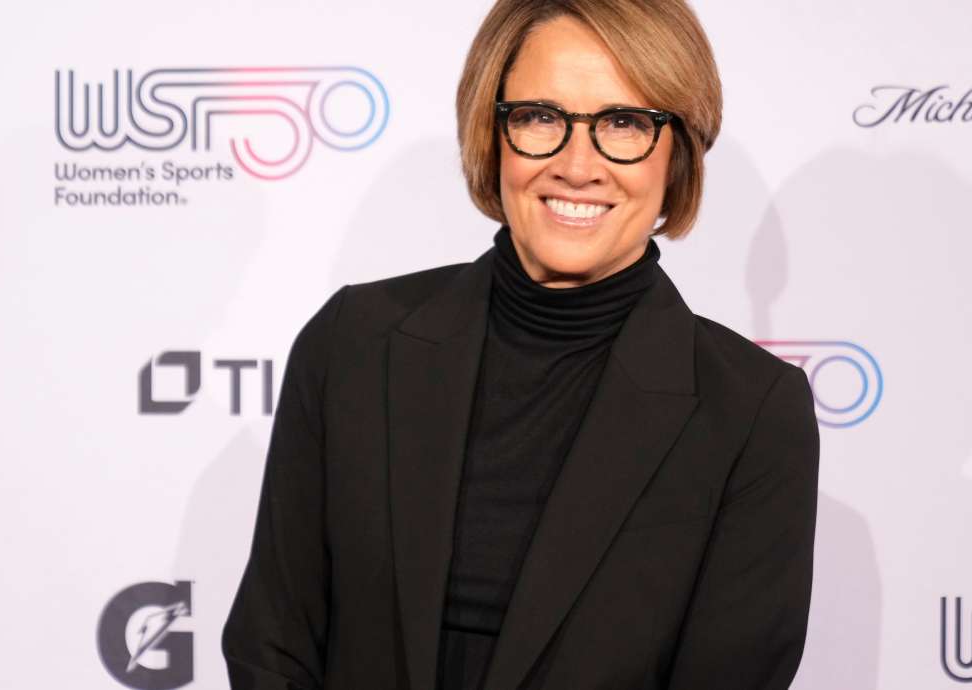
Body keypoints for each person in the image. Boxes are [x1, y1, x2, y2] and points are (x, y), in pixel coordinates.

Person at [221, 0, 820, 688]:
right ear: (492, 131)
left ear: (676, 152)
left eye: (624, 123)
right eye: (540, 117)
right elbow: (274, 642)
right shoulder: (354, 343)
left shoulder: (749, 412)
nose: (577, 164)